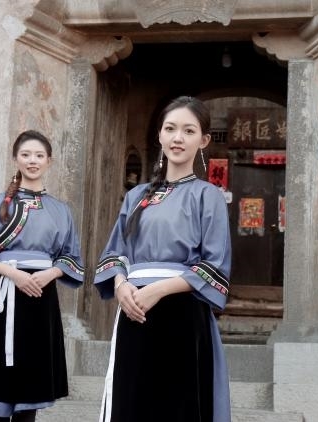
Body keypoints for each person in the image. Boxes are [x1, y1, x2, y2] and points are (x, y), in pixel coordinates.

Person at [94, 96, 232, 422]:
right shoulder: (136, 196)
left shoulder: (208, 195)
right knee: (131, 405)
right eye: (170, 129)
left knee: (177, 407)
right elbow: (114, 253)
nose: (177, 138)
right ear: (160, 135)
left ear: (204, 140)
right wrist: (121, 286)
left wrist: (157, 290)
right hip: (134, 311)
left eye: (188, 131)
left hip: (182, 314)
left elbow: (214, 264)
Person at [0, 130, 85, 421]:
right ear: (15, 158)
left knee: (31, 382)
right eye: (26, 154)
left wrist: (50, 274)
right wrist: (15, 275)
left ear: (49, 161)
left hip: (41, 298)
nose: (32, 161)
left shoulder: (60, 210)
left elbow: (71, 257)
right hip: (3, 297)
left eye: (39, 155)